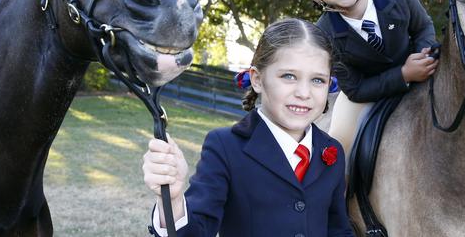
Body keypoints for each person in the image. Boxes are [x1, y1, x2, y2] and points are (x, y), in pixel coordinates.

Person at [143, 18, 354, 237]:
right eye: (289, 76)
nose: (304, 93)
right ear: (257, 79)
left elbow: (337, 229)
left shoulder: (331, 151)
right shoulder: (225, 147)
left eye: (317, 80)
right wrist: (174, 200)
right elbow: (198, 230)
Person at [292, 0, 438, 160]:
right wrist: (403, 74)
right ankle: (339, 193)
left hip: (423, 74)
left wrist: (422, 56)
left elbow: (423, 27)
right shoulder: (323, 35)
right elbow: (356, 88)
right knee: (339, 142)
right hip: (364, 96)